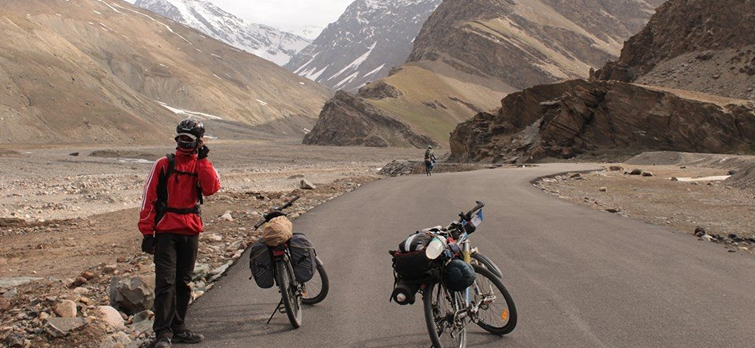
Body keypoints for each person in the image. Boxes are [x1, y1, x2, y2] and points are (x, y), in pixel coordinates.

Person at [138, 118, 221, 348]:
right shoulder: (163, 164)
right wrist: (147, 233)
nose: (184, 143)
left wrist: (203, 160)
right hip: (166, 233)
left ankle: (179, 328)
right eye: (181, 139)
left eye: (189, 140)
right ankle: (162, 334)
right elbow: (149, 199)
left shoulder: (202, 165)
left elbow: (211, 188)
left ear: (198, 142)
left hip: (190, 231)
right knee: (165, 283)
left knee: (183, 282)